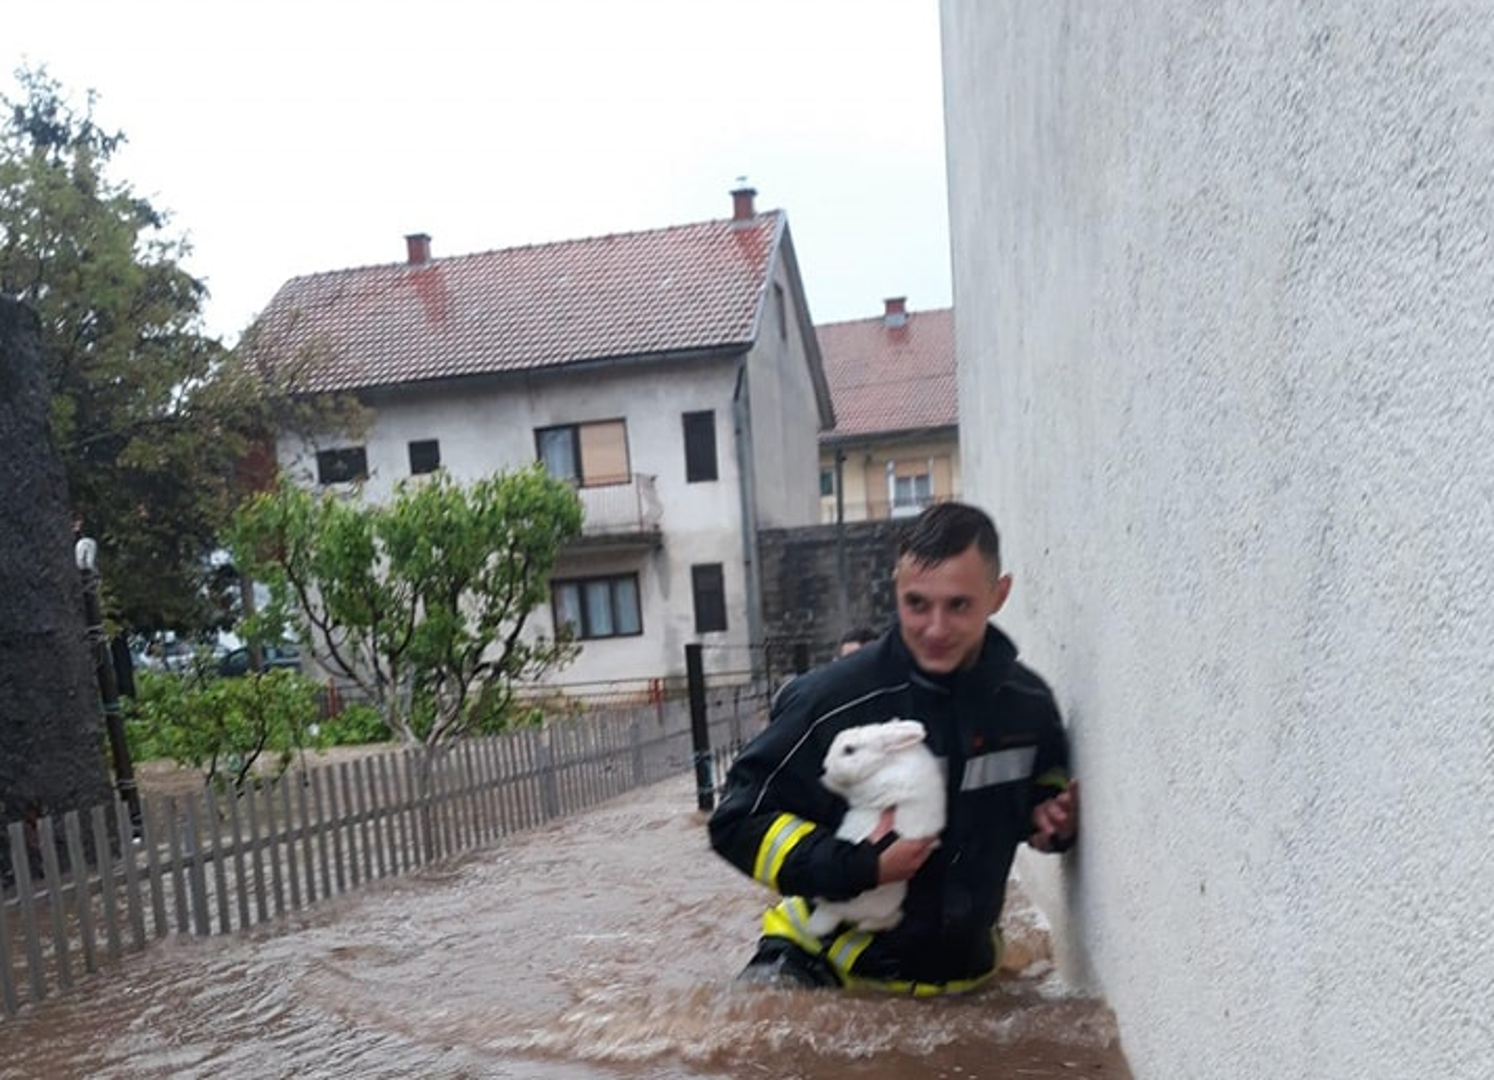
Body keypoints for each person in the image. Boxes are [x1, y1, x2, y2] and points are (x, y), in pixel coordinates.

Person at [708, 501, 1079, 993]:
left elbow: (1043, 783)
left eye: (959, 605)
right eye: (917, 604)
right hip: (817, 970)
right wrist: (860, 866)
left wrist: (1051, 822)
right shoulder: (830, 700)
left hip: (966, 983)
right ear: (896, 589)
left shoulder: (1029, 706)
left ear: (999, 594)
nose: (936, 628)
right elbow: (737, 819)